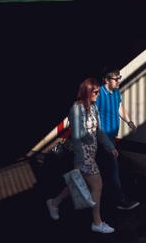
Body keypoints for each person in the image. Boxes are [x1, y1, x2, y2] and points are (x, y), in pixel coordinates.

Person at [46, 78, 118, 234]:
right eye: (96, 92)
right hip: (84, 157)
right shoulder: (76, 109)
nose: (98, 95)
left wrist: (110, 146)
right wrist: (81, 161)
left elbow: (98, 131)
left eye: (99, 92)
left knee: (76, 185)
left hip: (92, 153)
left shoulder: (93, 107)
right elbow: (77, 137)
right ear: (87, 91)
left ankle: (54, 202)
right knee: (97, 185)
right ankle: (97, 222)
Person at [96, 67, 140, 210]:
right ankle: (119, 200)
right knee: (113, 168)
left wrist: (129, 121)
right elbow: (94, 117)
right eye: (116, 79)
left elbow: (119, 107)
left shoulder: (115, 92)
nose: (119, 81)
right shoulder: (99, 94)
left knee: (103, 168)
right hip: (102, 139)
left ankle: (99, 198)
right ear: (106, 80)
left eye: (119, 78)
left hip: (111, 138)